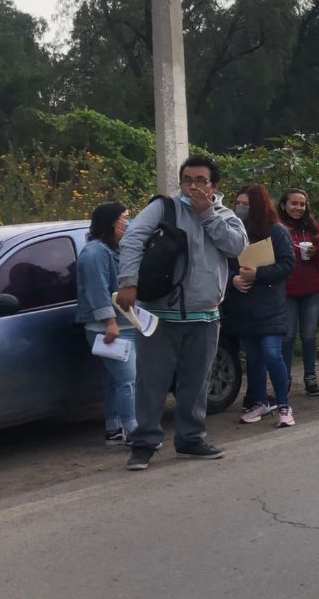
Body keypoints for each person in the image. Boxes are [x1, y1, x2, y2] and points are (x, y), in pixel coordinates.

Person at [117, 155, 248, 471]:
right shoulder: (164, 208)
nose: (193, 186)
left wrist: (207, 215)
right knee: (151, 382)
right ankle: (144, 443)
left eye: (200, 180)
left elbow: (236, 247)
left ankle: (190, 438)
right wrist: (128, 283)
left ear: (214, 185)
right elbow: (132, 239)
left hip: (205, 316)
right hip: (161, 315)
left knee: (196, 381)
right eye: (187, 179)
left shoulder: (225, 215)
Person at [224, 183, 297, 426]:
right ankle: (258, 401)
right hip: (243, 305)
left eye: (246, 204)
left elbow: (287, 264)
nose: (241, 208)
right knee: (253, 357)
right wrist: (232, 279)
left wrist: (258, 274)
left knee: (271, 353)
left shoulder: (276, 231)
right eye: (238, 204)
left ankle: (283, 405)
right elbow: (221, 265)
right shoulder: (231, 231)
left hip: (269, 305)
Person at [76, 201, 137, 446]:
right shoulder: (95, 252)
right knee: (128, 380)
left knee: (114, 380)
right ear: (112, 222)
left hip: (125, 324)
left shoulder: (114, 249)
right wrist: (109, 322)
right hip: (110, 328)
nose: (128, 223)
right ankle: (135, 431)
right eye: (125, 218)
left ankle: (114, 428)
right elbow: (97, 290)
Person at [277, 188, 319, 398]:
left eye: (302, 204)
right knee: (287, 337)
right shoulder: (277, 227)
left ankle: (310, 377)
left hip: (311, 289)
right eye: (294, 203)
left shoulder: (312, 226)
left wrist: (316, 253)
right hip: (287, 289)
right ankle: (285, 378)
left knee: (308, 336)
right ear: (283, 205)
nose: (298, 208)